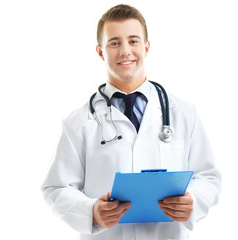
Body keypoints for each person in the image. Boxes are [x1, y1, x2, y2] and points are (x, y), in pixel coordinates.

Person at [41, 4, 221, 240]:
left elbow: (208, 177)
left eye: (133, 41)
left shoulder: (184, 113)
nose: (125, 51)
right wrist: (91, 212)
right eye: (114, 43)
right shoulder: (78, 122)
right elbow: (55, 189)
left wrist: (193, 202)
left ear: (146, 47)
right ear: (100, 52)